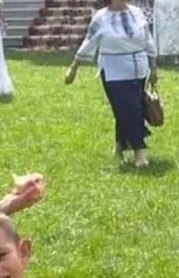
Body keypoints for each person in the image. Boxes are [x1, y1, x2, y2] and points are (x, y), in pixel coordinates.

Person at [65, 0, 159, 167]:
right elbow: (89, 41)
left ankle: (120, 147)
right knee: (128, 109)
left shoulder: (137, 12)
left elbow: (148, 40)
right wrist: (74, 67)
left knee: (130, 109)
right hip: (113, 71)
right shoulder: (101, 17)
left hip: (138, 69)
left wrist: (153, 68)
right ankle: (140, 151)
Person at [153, 0, 179, 65]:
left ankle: (164, 59)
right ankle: (175, 59)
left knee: (165, 41)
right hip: (173, 21)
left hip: (164, 22)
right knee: (175, 40)